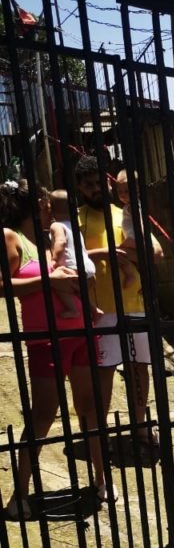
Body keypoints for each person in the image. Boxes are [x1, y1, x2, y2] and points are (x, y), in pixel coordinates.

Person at [0, 180, 111, 519]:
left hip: (82, 331)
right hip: (45, 338)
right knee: (45, 414)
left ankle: (101, 481)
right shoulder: (11, 236)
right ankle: (20, 494)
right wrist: (50, 282)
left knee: (90, 408)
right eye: (43, 200)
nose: (49, 204)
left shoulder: (55, 235)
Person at [75, 155, 163, 449]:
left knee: (140, 367)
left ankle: (140, 427)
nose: (96, 189)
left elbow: (156, 254)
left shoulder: (124, 213)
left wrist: (116, 254)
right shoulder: (75, 219)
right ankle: (99, 434)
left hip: (135, 304)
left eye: (99, 182)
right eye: (88, 185)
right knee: (105, 371)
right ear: (80, 188)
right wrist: (107, 254)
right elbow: (70, 262)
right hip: (101, 310)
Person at [48, 188, 101, 319]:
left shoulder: (56, 225)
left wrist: (54, 259)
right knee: (79, 292)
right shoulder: (74, 226)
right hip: (88, 267)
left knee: (59, 285)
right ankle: (95, 310)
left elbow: (60, 241)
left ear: (51, 209)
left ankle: (72, 309)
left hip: (73, 268)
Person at [113, 168, 142, 295]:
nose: (123, 194)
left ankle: (131, 275)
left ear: (137, 190)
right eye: (120, 192)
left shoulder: (133, 206)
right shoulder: (128, 206)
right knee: (134, 260)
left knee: (119, 253)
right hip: (132, 237)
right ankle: (140, 281)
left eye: (127, 191)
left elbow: (139, 220)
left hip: (133, 237)